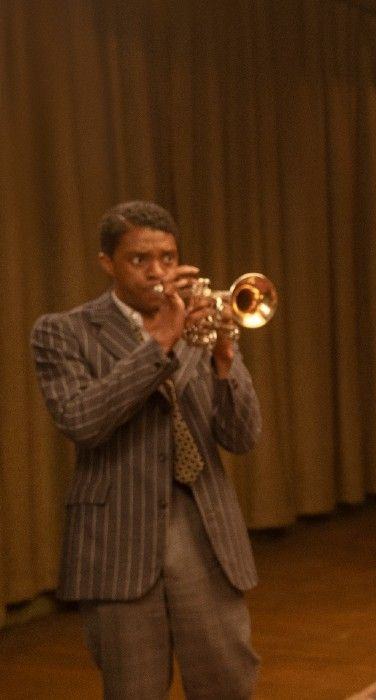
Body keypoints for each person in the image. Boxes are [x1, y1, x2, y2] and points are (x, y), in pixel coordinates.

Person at [30, 201, 262, 697]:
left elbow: (242, 437)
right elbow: (82, 420)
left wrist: (223, 357)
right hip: (118, 540)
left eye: (167, 256)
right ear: (107, 263)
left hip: (204, 535)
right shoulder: (62, 332)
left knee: (229, 684)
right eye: (139, 259)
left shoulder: (202, 323)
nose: (157, 271)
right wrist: (157, 343)